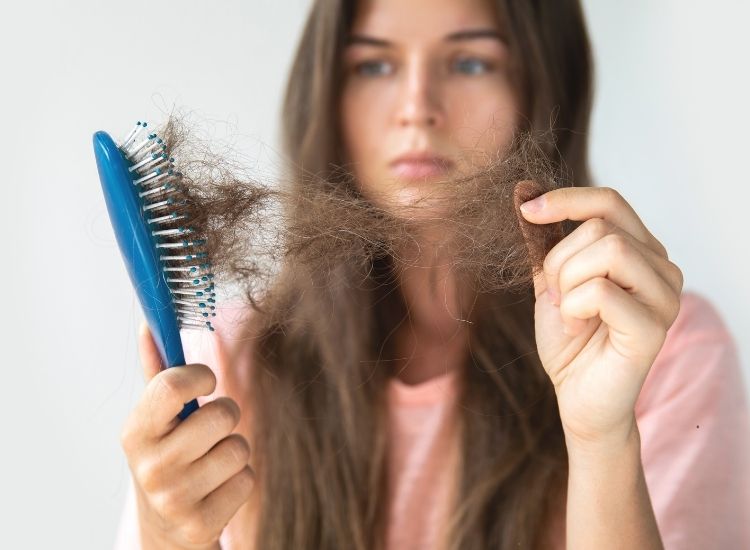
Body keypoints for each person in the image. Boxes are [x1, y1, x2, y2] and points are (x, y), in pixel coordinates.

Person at [114, 0, 750, 548]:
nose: (417, 107)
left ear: (545, 88)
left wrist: (602, 440)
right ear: (327, 97)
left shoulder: (654, 347)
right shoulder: (228, 360)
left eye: (471, 61)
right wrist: (166, 533)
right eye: (374, 65)